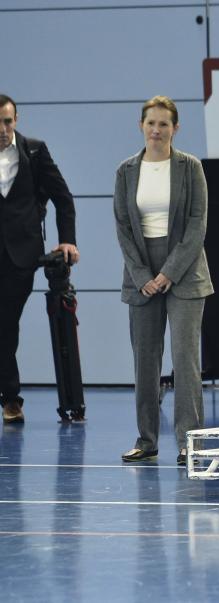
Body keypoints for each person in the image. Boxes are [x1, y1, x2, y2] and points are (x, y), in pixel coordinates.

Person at [114, 96, 213, 465]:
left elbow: (196, 225)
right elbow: (123, 228)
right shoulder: (125, 171)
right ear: (142, 126)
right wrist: (144, 276)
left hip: (185, 273)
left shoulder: (190, 168)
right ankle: (146, 439)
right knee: (145, 361)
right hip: (140, 274)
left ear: (175, 128)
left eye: (164, 124)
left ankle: (189, 442)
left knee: (185, 358)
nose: (156, 130)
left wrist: (168, 272)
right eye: (151, 123)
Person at [0, 94, 80, 424]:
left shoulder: (34, 150)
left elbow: (63, 198)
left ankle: (10, 398)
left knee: (5, 324)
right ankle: (10, 395)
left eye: (7, 121)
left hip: (20, 255)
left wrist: (67, 240)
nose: (2, 128)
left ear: (16, 120)